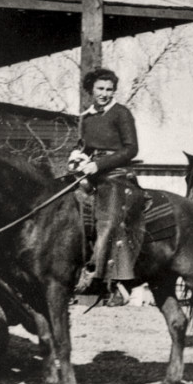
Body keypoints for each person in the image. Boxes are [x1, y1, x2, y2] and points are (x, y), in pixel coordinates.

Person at [70, 68, 145, 305]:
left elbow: (131, 149)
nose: (104, 94)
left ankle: (97, 278)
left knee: (109, 221)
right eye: (100, 89)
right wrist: (76, 158)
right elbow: (83, 146)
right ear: (91, 90)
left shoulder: (121, 113)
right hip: (90, 172)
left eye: (109, 89)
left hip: (116, 174)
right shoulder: (87, 117)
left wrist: (99, 164)